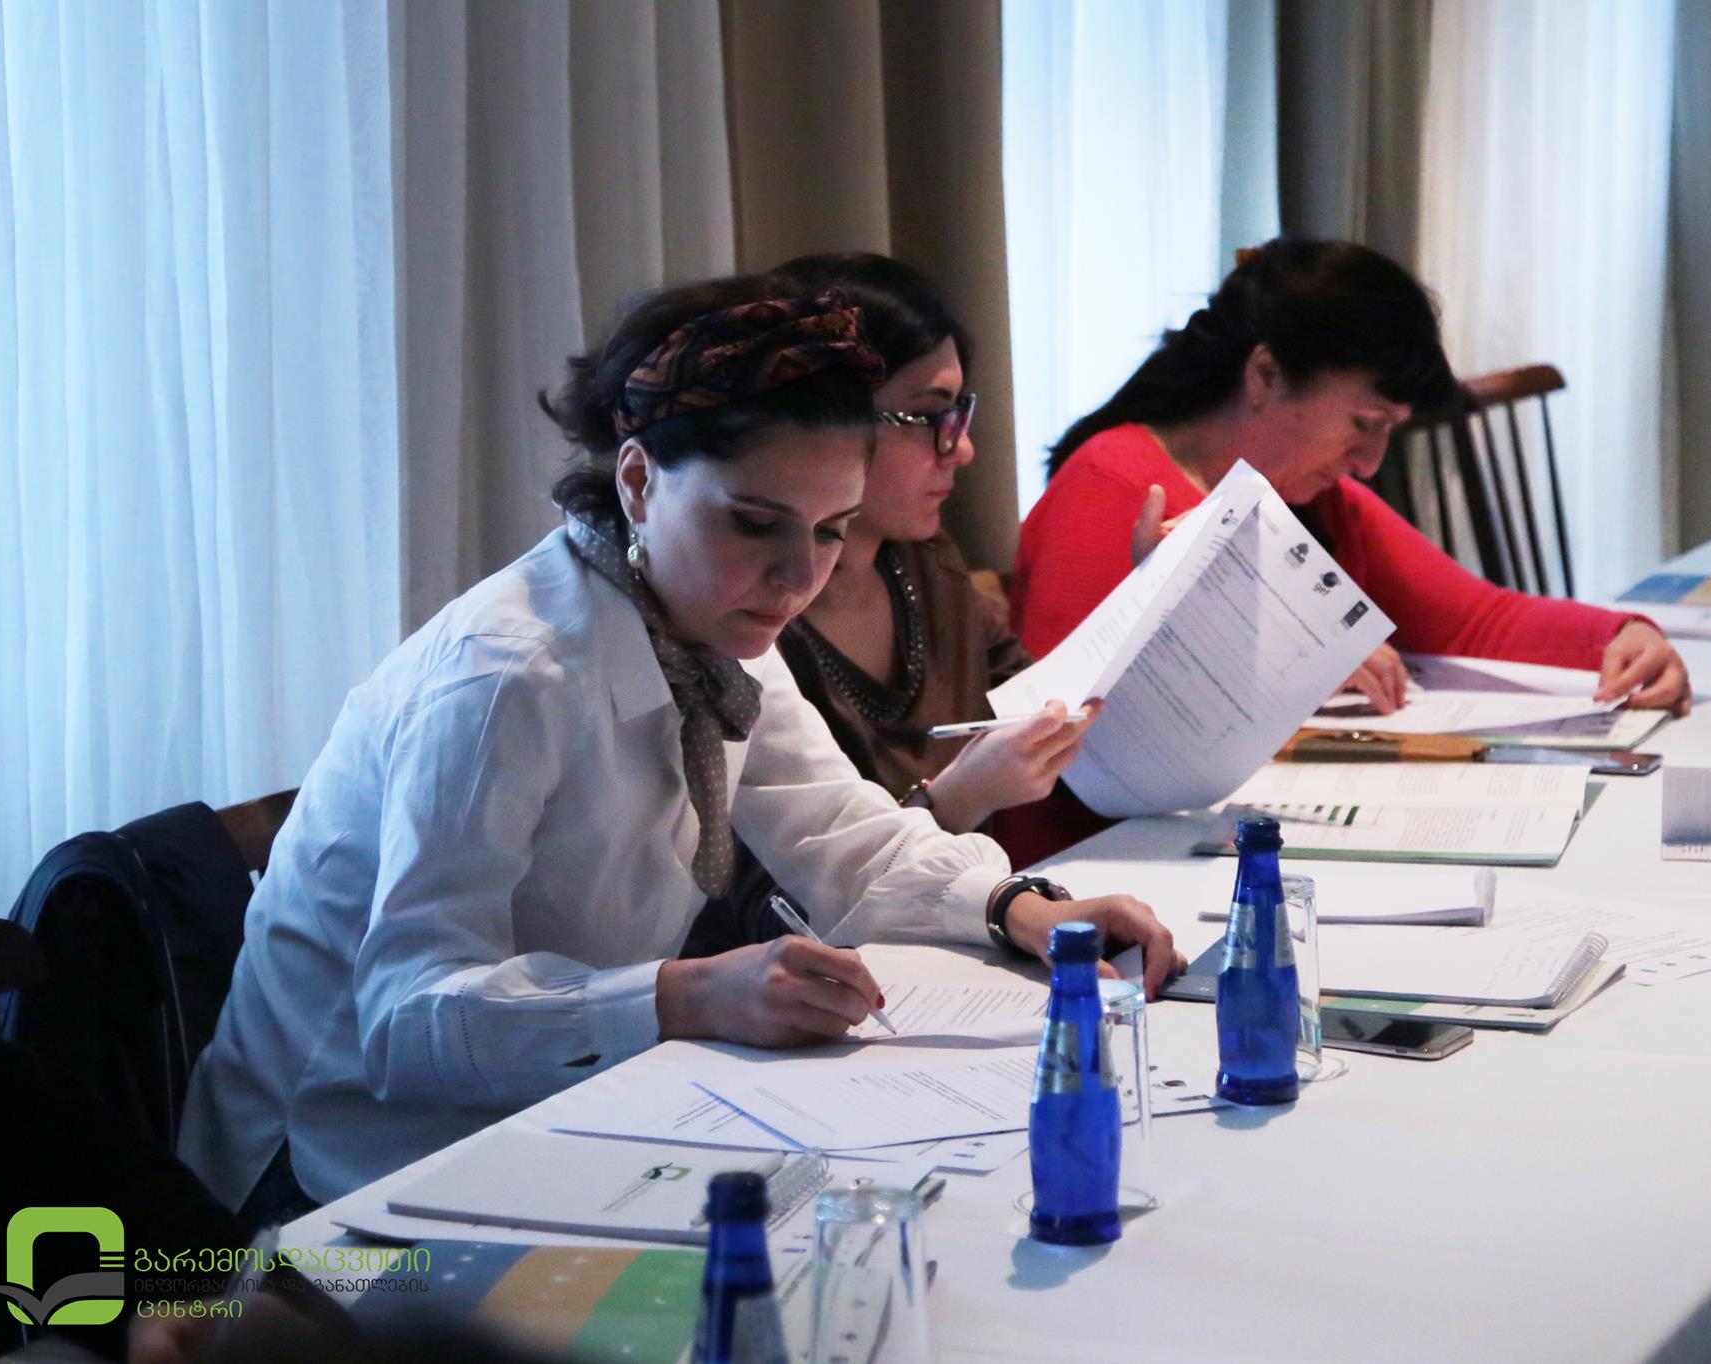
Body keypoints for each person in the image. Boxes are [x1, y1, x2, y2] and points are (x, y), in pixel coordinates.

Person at [178, 274, 1178, 1223]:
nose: (796, 575)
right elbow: (406, 1021)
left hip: (541, 1113)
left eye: (830, 530)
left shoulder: (701, 620)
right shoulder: (510, 674)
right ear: (638, 479)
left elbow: (841, 833)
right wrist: (685, 992)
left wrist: (1023, 909)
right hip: (331, 1168)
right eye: (755, 522)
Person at [1009, 238, 1692, 715]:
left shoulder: (1314, 501)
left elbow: (1476, 622)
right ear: (1265, 374)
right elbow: (1066, 736)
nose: (1369, 463)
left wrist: (1620, 637)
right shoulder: (1114, 486)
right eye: (1363, 423)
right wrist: (1291, 673)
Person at [682, 255, 1088, 957]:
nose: (963, 449)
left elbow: (1049, 701)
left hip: (941, 957)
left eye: (960, 413)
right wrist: (956, 799)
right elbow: (768, 903)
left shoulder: (925, 562)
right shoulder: (751, 613)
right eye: (929, 416)